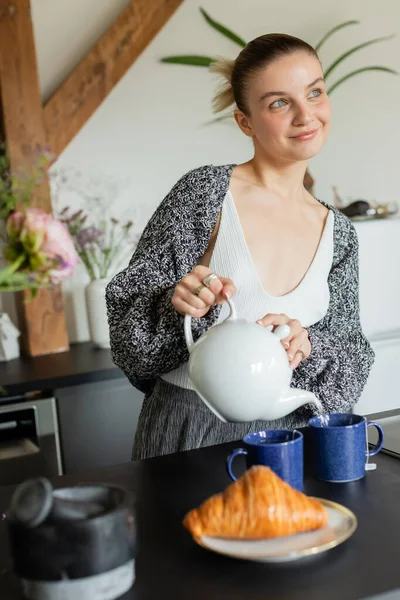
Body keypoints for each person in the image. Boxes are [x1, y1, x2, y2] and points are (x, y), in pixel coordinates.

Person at [106, 33, 374, 460]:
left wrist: (308, 345)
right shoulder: (204, 194)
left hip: (293, 440)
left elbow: (352, 360)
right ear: (245, 121)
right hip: (190, 431)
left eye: (315, 92)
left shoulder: (338, 231)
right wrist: (178, 306)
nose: (306, 115)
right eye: (279, 102)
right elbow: (127, 340)